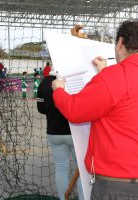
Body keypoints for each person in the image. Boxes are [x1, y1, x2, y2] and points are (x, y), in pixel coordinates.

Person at [52, 19, 138, 200]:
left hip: (115, 185)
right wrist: (105, 73)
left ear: (121, 42)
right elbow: (126, 100)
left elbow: (75, 111)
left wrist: (59, 90)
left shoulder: (115, 77)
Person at [37, 69, 84, 200]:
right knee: (82, 169)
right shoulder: (76, 78)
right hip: (75, 132)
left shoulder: (45, 82)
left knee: (61, 168)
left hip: (54, 131)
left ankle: (63, 198)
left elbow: (40, 108)